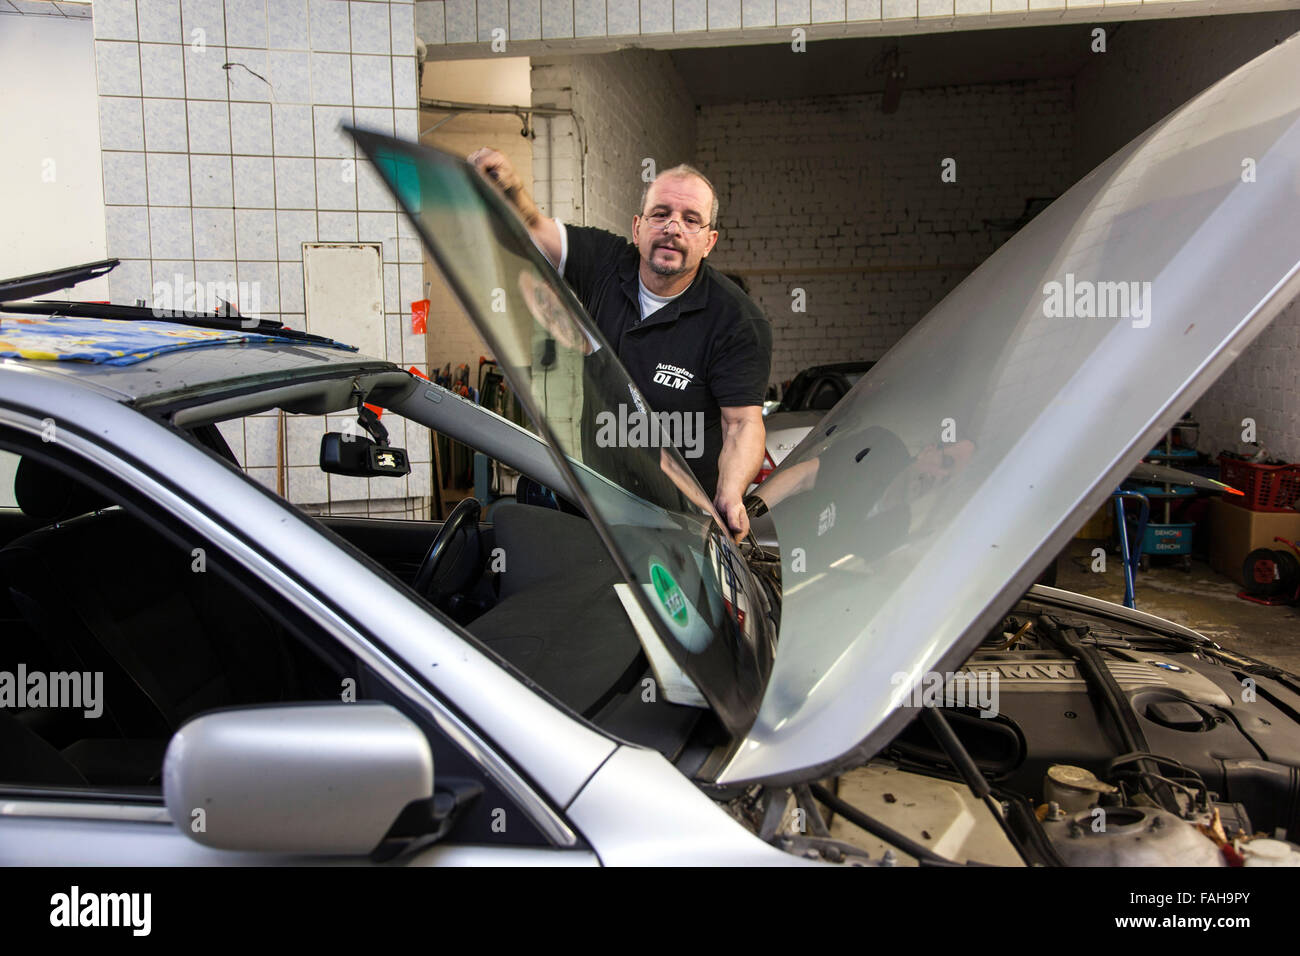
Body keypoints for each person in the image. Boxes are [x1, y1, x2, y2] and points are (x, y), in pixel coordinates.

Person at [468, 148, 771, 540]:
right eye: (660, 214)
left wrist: (730, 494)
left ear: (709, 241)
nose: (673, 227)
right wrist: (511, 190)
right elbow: (531, 225)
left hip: (684, 522)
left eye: (690, 219)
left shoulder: (736, 320)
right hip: (601, 505)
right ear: (637, 227)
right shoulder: (606, 264)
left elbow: (743, 423)